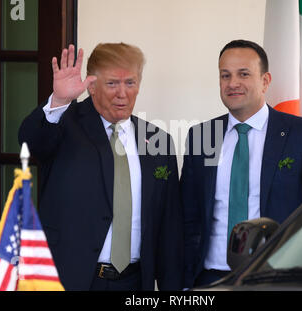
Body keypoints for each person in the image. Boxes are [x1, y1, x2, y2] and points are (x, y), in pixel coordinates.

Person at [18, 43, 183, 291]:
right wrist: (59, 101)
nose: (122, 93)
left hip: (136, 282)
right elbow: (30, 143)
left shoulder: (156, 139)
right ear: (92, 86)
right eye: (112, 83)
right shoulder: (63, 123)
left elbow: (169, 223)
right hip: (73, 280)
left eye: (130, 82)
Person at [181, 40, 302, 288]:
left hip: (277, 278)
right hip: (210, 279)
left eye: (244, 74)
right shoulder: (202, 136)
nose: (233, 83)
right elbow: (188, 217)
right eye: (225, 75)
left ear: (265, 81)